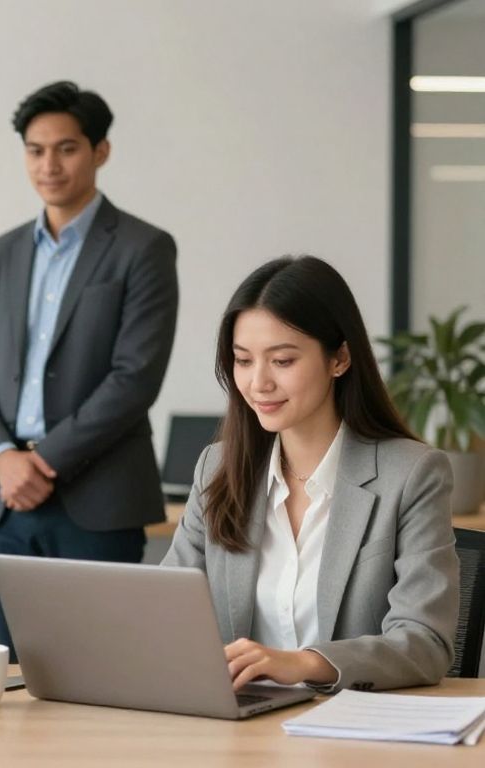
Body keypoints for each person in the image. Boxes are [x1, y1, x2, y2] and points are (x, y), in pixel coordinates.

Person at [0, 81, 179, 653]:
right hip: (5, 500)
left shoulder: (143, 248)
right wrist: (4, 459)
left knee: (99, 670)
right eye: (35, 149)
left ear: (101, 151)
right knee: (15, 671)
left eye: (67, 148)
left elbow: (135, 377)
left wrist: (43, 461)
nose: (48, 164)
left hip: (97, 497)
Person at [163, 256, 458, 692]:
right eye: (243, 361)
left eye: (282, 361)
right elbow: (162, 609)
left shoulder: (412, 474)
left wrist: (304, 663)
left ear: (339, 358)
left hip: (352, 736)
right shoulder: (218, 468)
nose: (257, 382)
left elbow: (424, 643)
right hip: (239, 730)